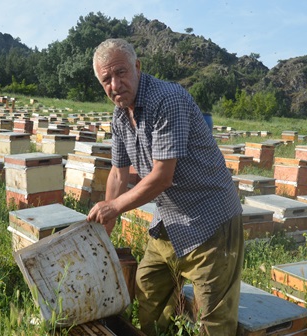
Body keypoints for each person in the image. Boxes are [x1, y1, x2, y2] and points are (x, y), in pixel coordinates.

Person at [87, 38, 244, 335]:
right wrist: (106, 225)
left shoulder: (166, 99)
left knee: (212, 319)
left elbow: (162, 176)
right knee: (148, 292)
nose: (115, 84)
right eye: (106, 79)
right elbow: (118, 174)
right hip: (170, 222)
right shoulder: (120, 116)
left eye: (121, 72)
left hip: (210, 222)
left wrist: (114, 207)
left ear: (137, 66)